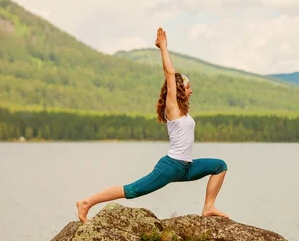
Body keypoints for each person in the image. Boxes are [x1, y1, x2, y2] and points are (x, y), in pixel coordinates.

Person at [76, 27, 229, 222]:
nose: (191, 91)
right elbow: (170, 73)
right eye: (188, 88)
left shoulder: (182, 110)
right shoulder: (172, 107)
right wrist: (163, 47)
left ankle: (208, 206)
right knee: (132, 190)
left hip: (186, 167)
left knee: (219, 166)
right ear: (180, 90)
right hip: (171, 166)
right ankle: (86, 203)